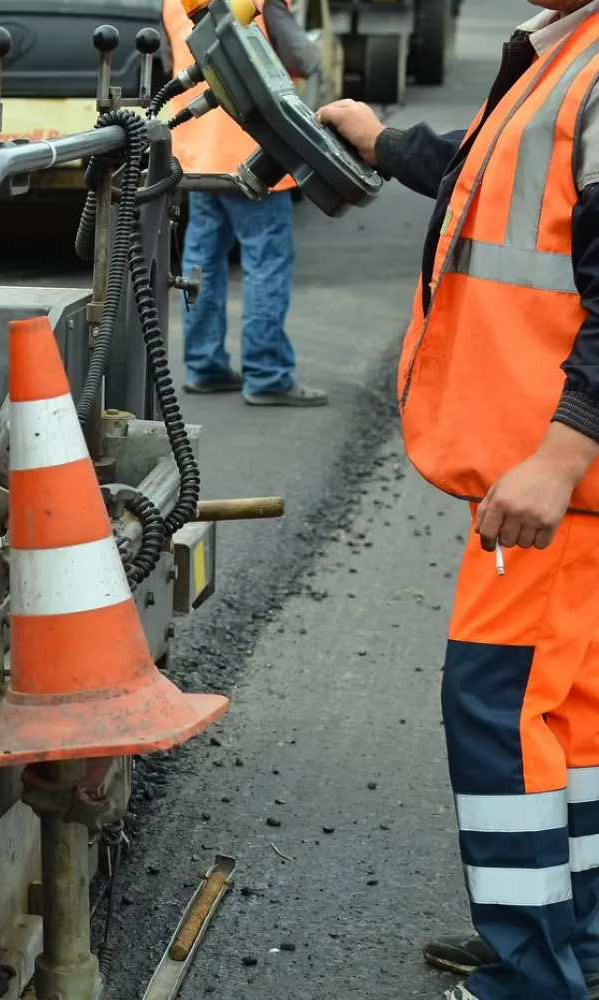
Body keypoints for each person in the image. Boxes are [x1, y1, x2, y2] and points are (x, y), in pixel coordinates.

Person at [319, 0, 599, 994]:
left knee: (498, 706)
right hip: (572, 491)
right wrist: (385, 142)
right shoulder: (564, 51)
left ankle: (531, 975)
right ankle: (568, 941)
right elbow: (502, 188)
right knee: (571, 722)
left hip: (557, 482)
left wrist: (561, 455)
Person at [162, 0, 328, 405]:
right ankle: (267, 374)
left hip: (199, 152)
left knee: (202, 258)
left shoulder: (173, 2)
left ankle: (203, 365)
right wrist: (317, 48)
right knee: (265, 260)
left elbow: (168, 61)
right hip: (256, 152)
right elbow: (301, 58)